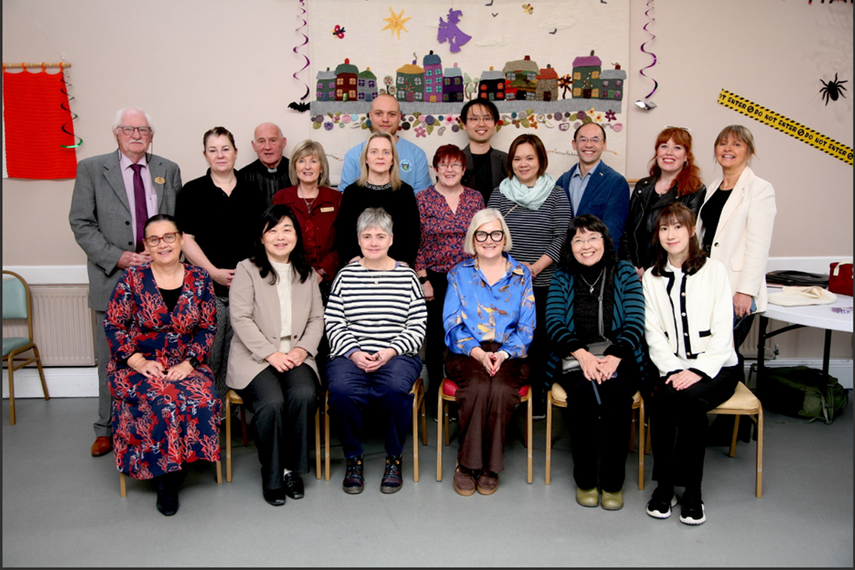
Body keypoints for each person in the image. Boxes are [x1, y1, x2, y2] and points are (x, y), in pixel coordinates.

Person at [69, 106, 182, 458]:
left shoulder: (168, 169)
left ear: (151, 135)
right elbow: (81, 223)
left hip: (159, 278)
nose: (136, 135)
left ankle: (153, 426)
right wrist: (118, 256)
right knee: (111, 356)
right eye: (128, 129)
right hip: (112, 276)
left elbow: (176, 223)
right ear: (116, 133)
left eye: (143, 130)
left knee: (158, 354)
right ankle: (105, 428)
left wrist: (164, 255)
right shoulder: (91, 168)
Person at [104, 214, 220, 516]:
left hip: (185, 362)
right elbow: (113, 324)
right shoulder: (132, 278)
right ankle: (167, 480)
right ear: (146, 245)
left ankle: (182, 461)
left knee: (205, 398)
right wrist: (137, 360)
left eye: (169, 237)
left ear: (180, 240)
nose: (163, 244)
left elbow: (207, 328)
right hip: (136, 365)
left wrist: (190, 364)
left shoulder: (199, 278)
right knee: (163, 400)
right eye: (154, 240)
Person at [642, 203, 741, 525]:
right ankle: (665, 486)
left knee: (692, 401)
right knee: (662, 400)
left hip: (717, 368)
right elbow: (653, 332)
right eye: (664, 228)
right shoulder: (652, 278)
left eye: (678, 227)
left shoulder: (715, 271)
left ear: (692, 231)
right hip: (673, 366)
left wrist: (697, 370)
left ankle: (692, 490)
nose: (671, 234)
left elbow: (723, 332)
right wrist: (673, 369)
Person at [544, 214, 648, 511]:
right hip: (575, 355)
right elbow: (553, 322)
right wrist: (583, 355)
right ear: (570, 246)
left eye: (592, 238)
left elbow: (635, 320)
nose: (586, 245)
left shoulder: (624, 271)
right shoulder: (562, 275)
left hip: (620, 354)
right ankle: (586, 480)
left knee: (617, 396)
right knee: (583, 396)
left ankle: (613, 483)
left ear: (605, 241)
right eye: (578, 240)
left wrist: (614, 355)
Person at [324, 208, 427, 495]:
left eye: (380, 236)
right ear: (358, 240)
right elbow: (334, 321)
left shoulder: (407, 276)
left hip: (397, 355)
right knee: (342, 391)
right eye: (367, 236)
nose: (373, 242)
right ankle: (353, 458)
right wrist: (354, 353)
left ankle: (394, 457)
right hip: (350, 354)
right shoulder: (345, 276)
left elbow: (417, 324)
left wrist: (391, 351)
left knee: (395, 389)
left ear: (391, 239)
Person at [227, 205, 324, 507]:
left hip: (296, 353)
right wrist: (270, 353)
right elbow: (240, 318)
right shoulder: (247, 269)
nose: (280, 236)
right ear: (262, 236)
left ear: (296, 235)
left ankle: (291, 469)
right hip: (255, 356)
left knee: (304, 394)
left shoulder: (307, 273)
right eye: (272, 230)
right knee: (271, 403)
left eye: (287, 229)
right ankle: (272, 475)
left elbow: (317, 319)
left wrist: (302, 349)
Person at [442, 209, 535, 496]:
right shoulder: (459, 274)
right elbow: (451, 323)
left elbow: (527, 327)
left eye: (495, 233)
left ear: (504, 237)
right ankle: (467, 464)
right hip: (467, 351)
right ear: (473, 238)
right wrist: (479, 354)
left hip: (511, 352)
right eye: (481, 234)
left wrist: (503, 354)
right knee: (479, 386)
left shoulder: (521, 274)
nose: (489, 240)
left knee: (502, 389)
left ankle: (489, 466)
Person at [176, 126, 266, 401]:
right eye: (213, 150)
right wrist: (213, 272)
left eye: (225, 149)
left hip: (246, 287)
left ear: (236, 152)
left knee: (238, 356)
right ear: (205, 155)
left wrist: (247, 272)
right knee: (209, 355)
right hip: (206, 289)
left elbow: (264, 238)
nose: (220, 155)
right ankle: (207, 411)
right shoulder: (192, 191)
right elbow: (185, 239)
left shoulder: (252, 191)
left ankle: (233, 415)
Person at [487, 133, 572, 418]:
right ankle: (510, 397)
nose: (523, 164)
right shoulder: (500, 194)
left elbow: (562, 236)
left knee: (543, 342)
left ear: (541, 160)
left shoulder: (557, 193)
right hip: (507, 282)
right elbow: (490, 236)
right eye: (517, 159)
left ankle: (540, 400)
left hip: (546, 282)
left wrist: (535, 267)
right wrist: (514, 267)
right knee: (510, 340)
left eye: (529, 158)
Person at [415, 144, 484, 417]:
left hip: (468, 278)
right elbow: (416, 242)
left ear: (463, 169)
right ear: (435, 169)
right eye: (443, 164)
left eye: (455, 164)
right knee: (434, 340)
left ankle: (461, 396)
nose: (449, 169)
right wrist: (423, 278)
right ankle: (435, 398)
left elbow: (483, 238)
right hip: (434, 278)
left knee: (465, 336)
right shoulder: (422, 198)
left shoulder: (475, 198)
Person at [698, 124, 776, 352]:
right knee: (704, 352)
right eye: (722, 143)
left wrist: (745, 291)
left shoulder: (759, 189)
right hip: (708, 280)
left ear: (749, 152)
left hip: (736, 286)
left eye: (736, 144)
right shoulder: (714, 187)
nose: (728, 149)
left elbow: (758, 246)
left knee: (724, 354)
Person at [619, 127, 706, 278]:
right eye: (664, 146)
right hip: (633, 274)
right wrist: (629, 266)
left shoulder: (695, 191)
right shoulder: (642, 187)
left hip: (668, 273)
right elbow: (627, 231)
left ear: (686, 156)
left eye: (677, 147)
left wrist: (649, 269)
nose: (669, 152)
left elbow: (685, 238)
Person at [334, 131, 421, 269]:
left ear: (392, 159)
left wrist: (399, 266)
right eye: (374, 151)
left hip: (396, 268)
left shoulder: (405, 192)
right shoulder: (352, 193)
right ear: (366, 158)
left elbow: (412, 234)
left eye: (386, 152)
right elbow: (344, 233)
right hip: (359, 268)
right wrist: (357, 264)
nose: (380, 156)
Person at [273, 140, 342, 296]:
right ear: (294, 166)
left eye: (313, 161)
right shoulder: (281, 198)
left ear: (322, 166)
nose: (307, 167)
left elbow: (343, 242)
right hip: (292, 280)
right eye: (301, 161)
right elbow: (276, 241)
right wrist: (298, 273)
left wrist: (322, 272)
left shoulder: (336, 199)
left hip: (330, 281)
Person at [338, 94, 432, 193]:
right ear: (370, 116)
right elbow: (346, 196)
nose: (385, 119)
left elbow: (423, 197)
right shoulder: (353, 155)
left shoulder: (417, 155)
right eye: (379, 113)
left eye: (392, 114)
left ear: (399, 117)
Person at [555, 122, 630, 243]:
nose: (589, 145)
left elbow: (613, 234)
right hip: (566, 253)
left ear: (604, 144)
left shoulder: (616, 183)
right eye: (583, 139)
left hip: (597, 253)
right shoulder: (563, 181)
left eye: (595, 140)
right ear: (574, 144)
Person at [459, 99, 508, 205]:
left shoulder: (507, 161)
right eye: (474, 119)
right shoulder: (454, 160)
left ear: (495, 124)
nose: (481, 124)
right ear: (464, 124)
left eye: (487, 118)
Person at [239, 122, 290, 206]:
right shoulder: (241, 177)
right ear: (254, 146)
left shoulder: (298, 172)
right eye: (261, 141)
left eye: (273, 140)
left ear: (283, 143)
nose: (267, 147)